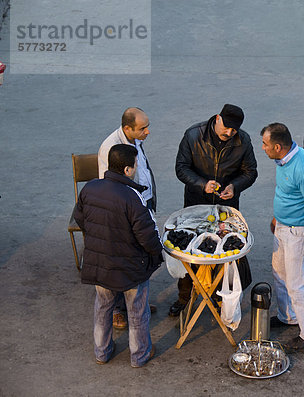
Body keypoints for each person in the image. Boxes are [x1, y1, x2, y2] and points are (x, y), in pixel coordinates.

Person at [73, 144, 163, 367]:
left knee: (103, 307)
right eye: (134, 165)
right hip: (130, 267)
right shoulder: (133, 197)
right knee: (137, 312)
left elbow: (80, 218)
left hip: (99, 263)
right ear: (126, 170)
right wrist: (157, 254)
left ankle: (101, 352)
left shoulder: (90, 188)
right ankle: (139, 355)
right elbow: (148, 237)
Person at [170, 104, 258, 317]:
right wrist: (201, 183)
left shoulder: (243, 141)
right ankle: (185, 297)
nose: (229, 133)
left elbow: (250, 172)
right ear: (217, 118)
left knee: (224, 254)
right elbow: (181, 168)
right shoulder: (193, 135)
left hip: (226, 207)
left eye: (234, 130)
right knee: (189, 251)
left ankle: (220, 297)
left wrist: (234, 187)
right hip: (195, 204)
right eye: (226, 127)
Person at [261, 122, 304, 352]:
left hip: (298, 233)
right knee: (279, 274)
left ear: (278, 146)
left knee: (297, 284)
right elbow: (287, 194)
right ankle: (288, 316)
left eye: (265, 144)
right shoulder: (283, 159)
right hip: (283, 227)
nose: (263, 148)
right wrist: (277, 217)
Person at [98, 107, 158, 329]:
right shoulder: (110, 148)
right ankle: (116, 310)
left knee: (137, 257)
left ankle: (135, 303)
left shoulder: (135, 141)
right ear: (127, 128)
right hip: (126, 212)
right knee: (121, 259)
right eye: (143, 128)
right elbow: (110, 186)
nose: (147, 132)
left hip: (141, 204)